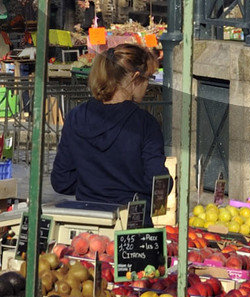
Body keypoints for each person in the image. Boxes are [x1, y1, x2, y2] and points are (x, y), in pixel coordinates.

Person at [50, 45, 166, 211]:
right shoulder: (145, 123)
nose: (148, 86)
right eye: (148, 78)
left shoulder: (76, 116)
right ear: (135, 78)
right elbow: (157, 182)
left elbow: (62, 181)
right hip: (132, 222)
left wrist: (92, 186)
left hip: (88, 219)